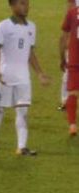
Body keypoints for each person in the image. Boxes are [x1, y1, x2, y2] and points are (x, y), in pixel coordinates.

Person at [0, 0, 50, 156]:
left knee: (23, 111)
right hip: (6, 76)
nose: (26, 7)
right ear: (12, 5)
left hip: (23, 78)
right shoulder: (3, 26)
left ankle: (21, 147)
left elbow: (30, 53)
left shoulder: (31, 27)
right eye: (22, 3)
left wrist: (39, 73)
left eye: (27, 3)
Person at [61, 1, 79, 136]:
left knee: (72, 92)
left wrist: (62, 57)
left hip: (74, 58)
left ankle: (72, 125)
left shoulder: (72, 12)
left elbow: (64, 36)